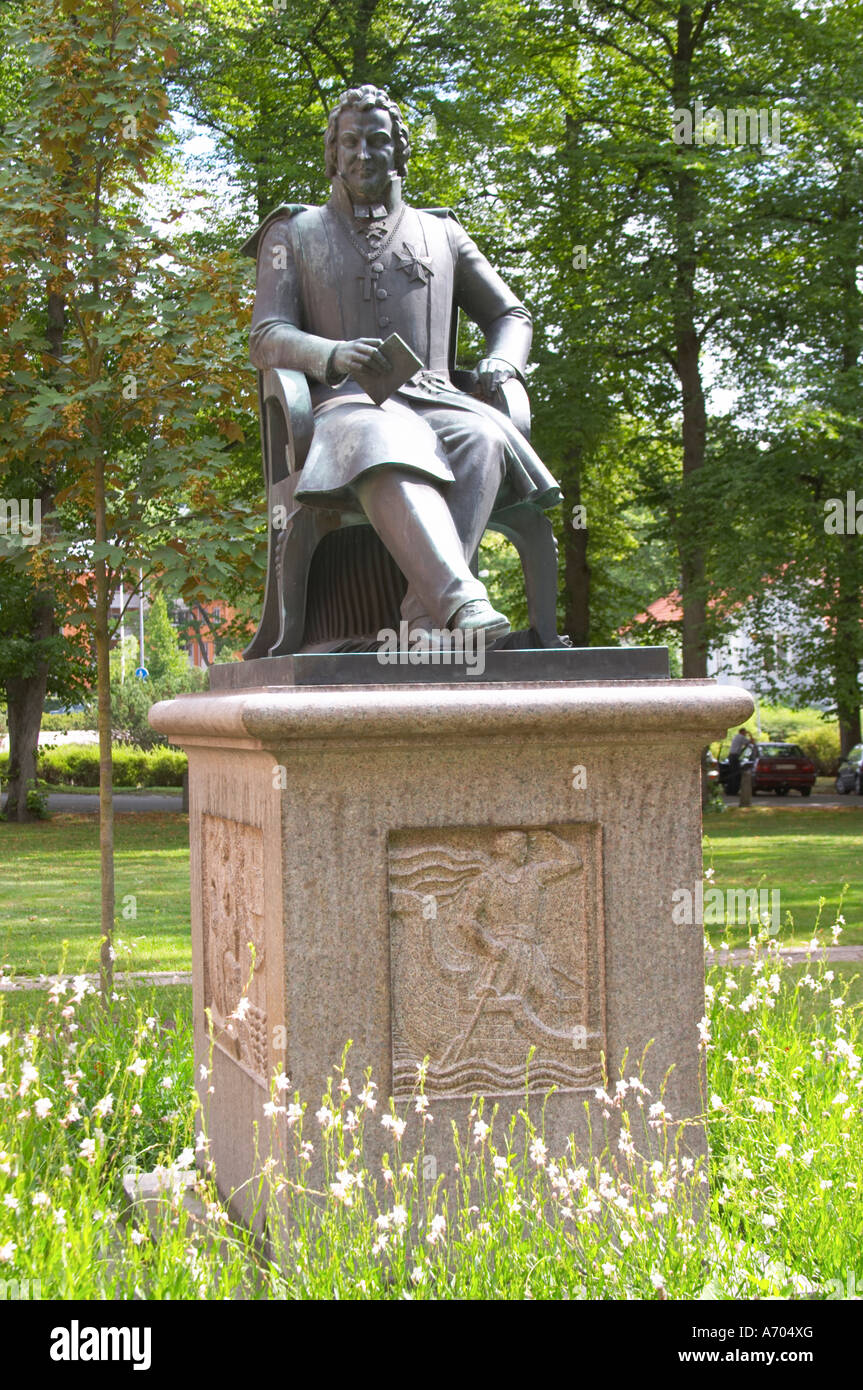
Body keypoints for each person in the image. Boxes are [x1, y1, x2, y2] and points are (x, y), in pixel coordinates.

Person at [246, 84, 562, 643]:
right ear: (332, 153)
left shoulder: (442, 232)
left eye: (377, 141)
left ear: (399, 150)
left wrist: (502, 364)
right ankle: (462, 604)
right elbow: (267, 337)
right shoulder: (293, 233)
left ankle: (423, 621)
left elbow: (510, 314)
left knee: (483, 437)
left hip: (436, 399)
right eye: (350, 142)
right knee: (379, 435)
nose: (363, 154)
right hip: (346, 408)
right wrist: (330, 354)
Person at [726, 727, 752, 795]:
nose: (745, 734)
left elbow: (746, 745)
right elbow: (752, 741)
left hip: (732, 756)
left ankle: (731, 790)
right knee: (736, 774)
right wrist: (750, 734)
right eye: (745, 732)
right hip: (734, 756)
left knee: (733, 773)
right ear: (742, 732)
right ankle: (733, 790)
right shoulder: (741, 737)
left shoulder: (737, 736)